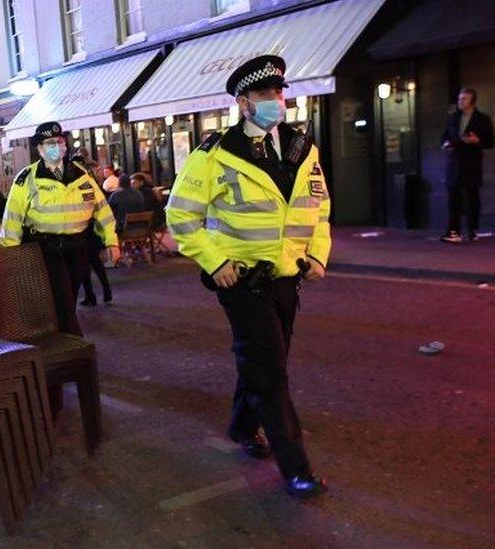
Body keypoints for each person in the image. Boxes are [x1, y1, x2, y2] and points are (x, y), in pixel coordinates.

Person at [166, 55, 331, 498]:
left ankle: (242, 426)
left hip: (285, 278)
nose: (276, 101)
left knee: (266, 361)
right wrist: (215, 262)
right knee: (272, 371)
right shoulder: (215, 153)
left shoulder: (303, 149)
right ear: (243, 103)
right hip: (240, 280)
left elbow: (320, 209)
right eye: (264, 95)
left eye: (279, 92)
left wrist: (316, 255)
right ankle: (296, 469)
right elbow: (181, 216)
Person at [0, 121, 120, 335]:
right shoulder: (28, 178)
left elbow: (102, 210)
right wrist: (12, 257)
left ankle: (62, 341)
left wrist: (111, 241)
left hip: (76, 247)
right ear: (40, 148)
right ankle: (74, 345)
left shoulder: (82, 175)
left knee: (69, 299)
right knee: (63, 302)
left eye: (60, 141)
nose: (57, 146)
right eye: (50, 142)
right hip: (46, 249)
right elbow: (12, 219)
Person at [440, 87, 495, 243]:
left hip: (472, 162)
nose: (460, 101)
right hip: (454, 161)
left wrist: (477, 141)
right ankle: (453, 231)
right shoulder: (453, 117)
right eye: (459, 99)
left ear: (472, 101)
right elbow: (444, 135)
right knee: (453, 196)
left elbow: (490, 142)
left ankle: (472, 230)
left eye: (464, 99)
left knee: (472, 196)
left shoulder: (482, 119)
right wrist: (445, 144)